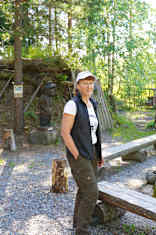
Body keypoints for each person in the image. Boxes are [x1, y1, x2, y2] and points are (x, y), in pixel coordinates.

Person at [61, 71, 103, 235]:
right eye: (85, 82)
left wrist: (98, 155)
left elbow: (95, 132)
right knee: (92, 192)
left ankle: (76, 223)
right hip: (79, 154)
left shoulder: (92, 104)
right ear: (77, 86)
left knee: (84, 189)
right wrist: (76, 154)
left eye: (91, 83)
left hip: (91, 151)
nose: (89, 86)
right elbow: (65, 132)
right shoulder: (72, 104)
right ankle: (82, 230)